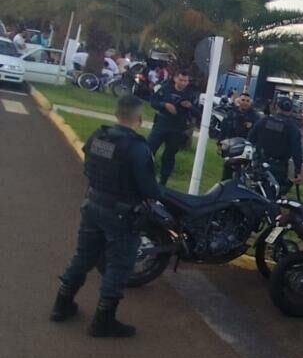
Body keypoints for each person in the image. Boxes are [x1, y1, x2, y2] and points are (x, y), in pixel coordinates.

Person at [51, 95, 166, 338]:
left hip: (93, 204)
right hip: (121, 215)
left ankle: (61, 304)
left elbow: (88, 167)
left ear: (116, 115)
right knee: (119, 265)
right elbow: (149, 188)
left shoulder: (98, 136)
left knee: (83, 256)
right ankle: (103, 321)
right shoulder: (137, 148)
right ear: (140, 119)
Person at [147, 67, 198, 186]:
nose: (183, 83)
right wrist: (164, 105)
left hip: (177, 127)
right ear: (175, 79)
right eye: (181, 80)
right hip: (162, 124)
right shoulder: (165, 89)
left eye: (186, 81)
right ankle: (146, 175)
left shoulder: (190, 94)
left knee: (169, 155)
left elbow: (198, 112)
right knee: (149, 150)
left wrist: (190, 106)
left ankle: (163, 182)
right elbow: (153, 102)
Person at [248, 96, 303, 193]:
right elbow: (297, 150)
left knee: (256, 192)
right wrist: (298, 171)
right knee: (274, 194)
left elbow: (251, 138)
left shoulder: (264, 121)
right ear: (290, 110)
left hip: (261, 162)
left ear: (277, 107)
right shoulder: (292, 127)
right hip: (279, 166)